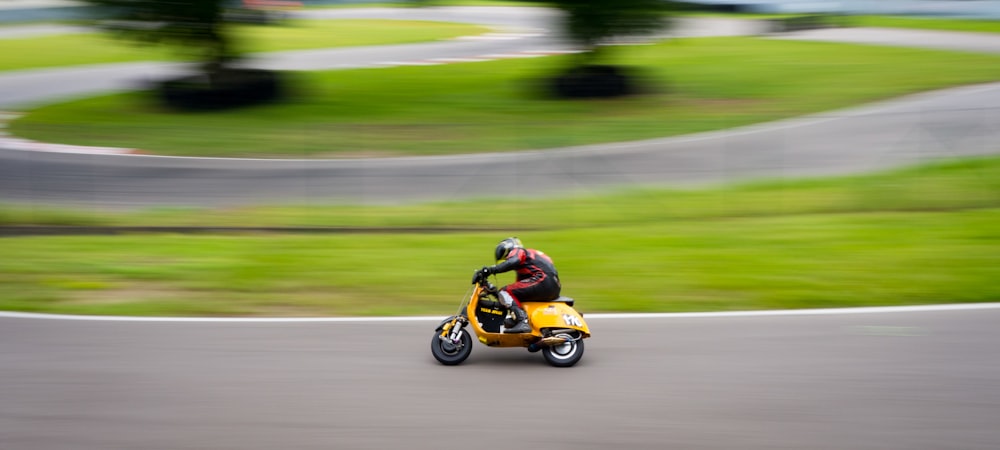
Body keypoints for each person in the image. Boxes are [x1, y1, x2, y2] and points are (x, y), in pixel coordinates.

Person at [476, 237, 561, 334]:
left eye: (506, 257)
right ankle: (520, 319)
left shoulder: (519, 251)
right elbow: (511, 297)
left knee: (505, 291)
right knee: (510, 293)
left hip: (544, 280)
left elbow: (513, 261)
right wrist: (491, 289)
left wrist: (490, 270)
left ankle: (522, 321)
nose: (506, 259)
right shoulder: (527, 265)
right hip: (552, 285)